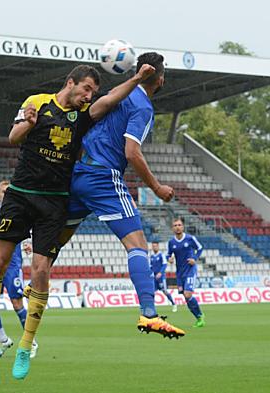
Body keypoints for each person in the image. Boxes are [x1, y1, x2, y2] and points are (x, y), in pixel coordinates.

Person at [0, 62, 157, 381]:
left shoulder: (83, 117)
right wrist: (27, 123)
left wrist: (136, 79)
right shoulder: (37, 102)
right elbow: (14, 137)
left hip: (54, 200)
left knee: (41, 269)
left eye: (92, 92)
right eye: (85, 89)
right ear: (70, 83)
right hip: (20, 193)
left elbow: (110, 101)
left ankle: (25, 347)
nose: (88, 96)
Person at [59, 52, 185, 340]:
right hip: (103, 176)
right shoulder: (143, 106)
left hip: (79, 172)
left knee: (60, 235)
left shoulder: (120, 93)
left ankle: (35, 282)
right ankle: (150, 314)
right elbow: (132, 152)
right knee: (137, 244)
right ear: (161, 79)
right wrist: (157, 188)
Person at [0, 180, 37, 359]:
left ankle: (31, 342)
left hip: (12, 265)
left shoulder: (19, 213)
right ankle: (3, 340)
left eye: (7, 191)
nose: (4, 194)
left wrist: (29, 244)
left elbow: (29, 231)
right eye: (2, 191)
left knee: (17, 303)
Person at [166, 218, 205, 327]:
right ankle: (198, 318)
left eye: (179, 225)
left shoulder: (190, 238)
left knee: (188, 294)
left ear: (183, 227)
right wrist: (169, 259)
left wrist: (195, 258)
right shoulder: (171, 242)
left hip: (190, 270)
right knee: (186, 297)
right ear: (172, 228)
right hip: (180, 273)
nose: (177, 227)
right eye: (175, 225)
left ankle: (200, 316)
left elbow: (200, 248)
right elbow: (168, 254)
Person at [149, 240, 177, 312]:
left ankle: (173, 304)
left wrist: (160, 273)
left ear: (158, 246)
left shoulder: (161, 255)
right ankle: (151, 308)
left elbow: (164, 264)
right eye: (153, 246)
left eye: (155, 246)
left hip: (161, 277)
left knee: (164, 291)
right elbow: (150, 267)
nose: (154, 247)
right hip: (154, 277)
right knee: (152, 292)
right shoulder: (151, 256)